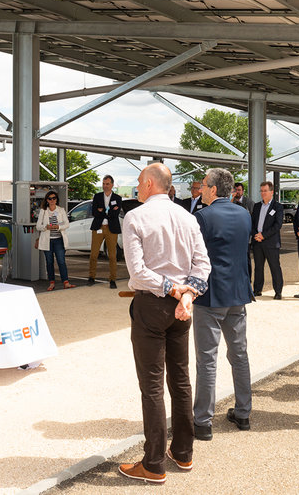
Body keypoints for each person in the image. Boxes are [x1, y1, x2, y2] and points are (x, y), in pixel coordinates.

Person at [119, 163, 211, 484]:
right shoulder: (188, 217)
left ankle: (154, 463)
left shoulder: (135, 217)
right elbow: (203, 264)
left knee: (152, 386)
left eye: (139, 182)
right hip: (181, 309)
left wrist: (174, 290)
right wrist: (187, 297)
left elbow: (138, 272)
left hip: (152, 305)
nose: (137, 187)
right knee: (181, 379)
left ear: (148, 184)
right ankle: (183, 452)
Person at [192, 168, 254, 440]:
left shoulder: (202, 217)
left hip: (210, 295)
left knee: (207, 359)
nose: (201, 190)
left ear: (214, 189)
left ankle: (203, 421)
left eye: (204, 185)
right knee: (239, 355)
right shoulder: (244, 214)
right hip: (238, 294)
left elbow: (194, 257)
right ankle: (244, 412)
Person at [36, 190, 75, 291]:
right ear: (47, 200)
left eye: (54, 198)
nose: (52, 200)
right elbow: (38, 226)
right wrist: (46, 227)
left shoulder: (61, 210)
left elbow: (67, 224)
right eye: (50, 198)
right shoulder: (43, 211)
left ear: (57, 199)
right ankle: (51, 283)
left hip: (59, 240)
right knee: (49, 262)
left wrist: (58, 226)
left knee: (61, 261)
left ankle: (65, 282)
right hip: (47, 240)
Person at [251, 181, 284, 300]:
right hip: (257, 242)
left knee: (275, 267)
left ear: (271, 192)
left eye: (265, 191)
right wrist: (255, 234)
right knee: (258, 267)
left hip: (270, 242)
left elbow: (278, 225)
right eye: (261, 191)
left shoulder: (278, 207)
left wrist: (263, 235)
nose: (263, 193)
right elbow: (252, 223)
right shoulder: (257, 206)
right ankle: (257, 290)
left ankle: (278, 291)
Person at [89, 175, 122, 289]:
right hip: (98, 227)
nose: (105, 186)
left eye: (107, 184)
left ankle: (112, 279)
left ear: (112, 185)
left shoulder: (117, 198)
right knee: (94, 254)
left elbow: (115, 215)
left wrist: (102, 211)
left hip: (111, 229)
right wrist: (108, 212)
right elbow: (94, 212)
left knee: (112, 256)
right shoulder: (97, 196)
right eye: (103, 183)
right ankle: (91, 277)